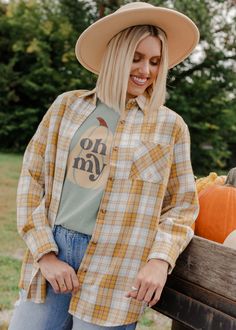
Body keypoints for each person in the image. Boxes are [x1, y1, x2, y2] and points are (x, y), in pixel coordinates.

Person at [9, 2, 200, 330]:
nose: (146, 70)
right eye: (136, 57)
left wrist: (159, 260)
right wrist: (45, 255)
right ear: (116, 56)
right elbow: (31, 178)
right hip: (55, 251)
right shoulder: (67, 107)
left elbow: (181, 206)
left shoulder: (170, 126)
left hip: (118, 266)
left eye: (155, 62)